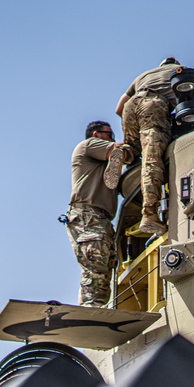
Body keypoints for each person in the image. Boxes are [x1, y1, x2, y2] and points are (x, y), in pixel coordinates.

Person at [114, 57, 182, 237]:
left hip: (131, 106)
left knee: (135, 148)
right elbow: (186, 106)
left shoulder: (143, 76)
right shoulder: (180, 72)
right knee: (152, 159)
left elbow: (118, 108)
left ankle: (124, 153)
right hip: (154, 105)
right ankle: (150, 214)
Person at [65, 120, 127, 308]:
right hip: (88, 214)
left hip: (99, 217)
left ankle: (92, 305)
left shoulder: (102, 162)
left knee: (105, 267)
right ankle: (91, 307)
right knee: (95, 266)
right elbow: (117, 150)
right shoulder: (88, 146)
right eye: (109, 134)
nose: (112, 138)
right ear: (96, 135)